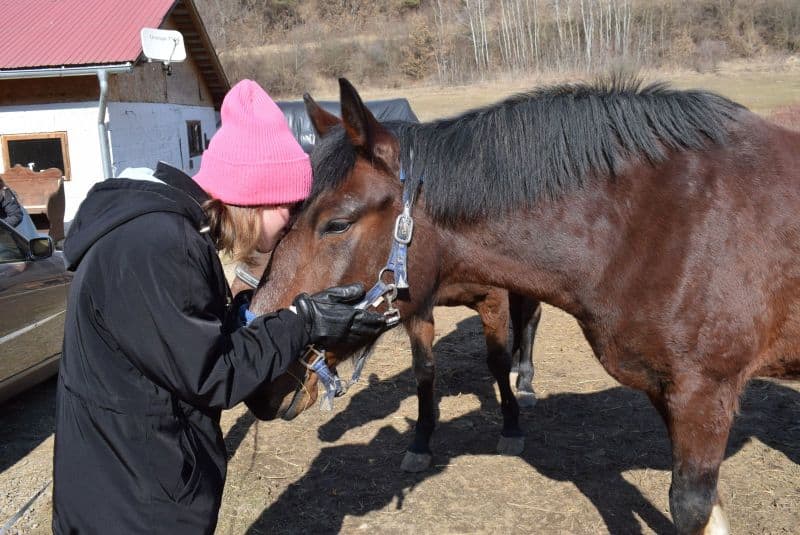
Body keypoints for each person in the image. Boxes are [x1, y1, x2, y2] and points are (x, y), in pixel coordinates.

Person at [52, 80, 393, 534]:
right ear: (256, 196)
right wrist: (302, 320)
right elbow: (213, 374)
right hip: (137, 505)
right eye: (289, 205)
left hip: (123, 480)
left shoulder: (160, 233)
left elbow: (175, 348)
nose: (292, 219)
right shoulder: (159, 247)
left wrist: (242, 316)